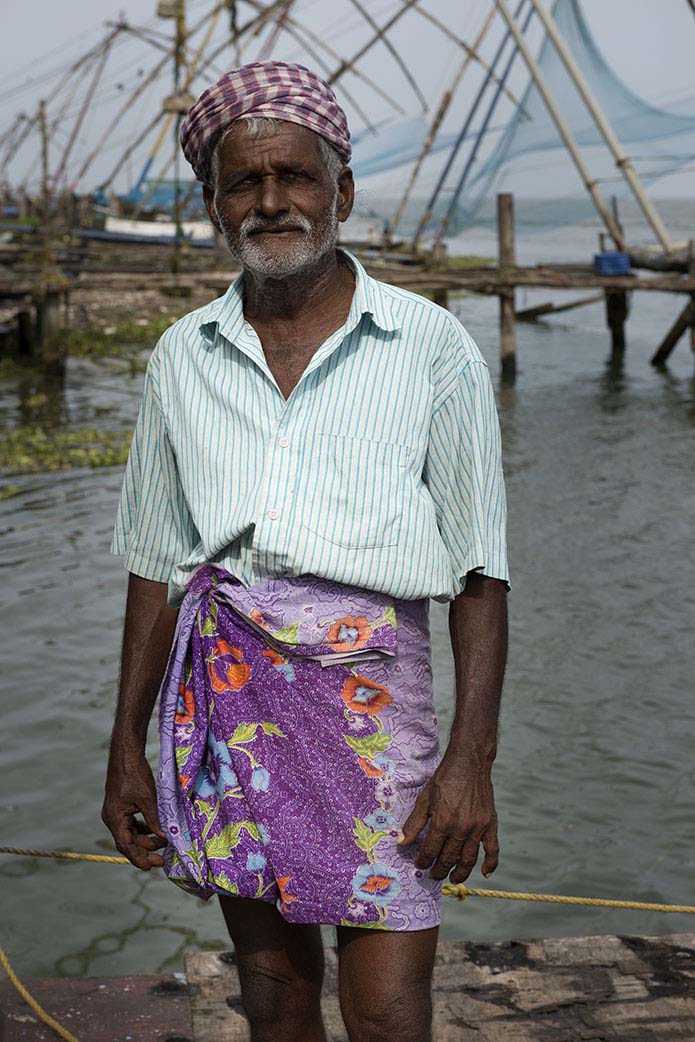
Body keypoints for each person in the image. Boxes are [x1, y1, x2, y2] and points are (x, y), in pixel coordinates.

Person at [102, 60, 510, 1042]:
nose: (271, 200)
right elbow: (155, 567)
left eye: (295, 175)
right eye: (243, 181)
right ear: (211, 203)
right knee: (274, 994)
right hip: (228, 701)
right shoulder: (181, 355)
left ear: (342, 191)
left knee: (384, 1008)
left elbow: (479, 572)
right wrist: (125, 747)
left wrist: (469, 759)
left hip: (375, 700)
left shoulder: (428, 344)